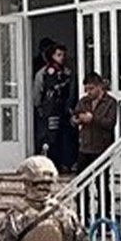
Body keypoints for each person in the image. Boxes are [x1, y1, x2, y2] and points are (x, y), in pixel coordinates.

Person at [33, 43, 78, 172]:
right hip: (49, 111)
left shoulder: (68, 73)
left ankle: (65, 163)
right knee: (50, 138)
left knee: (66, 137)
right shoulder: (43, 73)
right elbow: (37, 93)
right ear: (52, 56)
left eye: (63, 55)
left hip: (65, 110)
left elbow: (72, 92)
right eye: (58, 55)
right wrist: (40, 107)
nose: (62, 58)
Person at [72, 72, 119, 170]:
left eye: (91, 89)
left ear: (99, 87)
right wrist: (76, 120)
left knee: (102, 176)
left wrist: (93, 119)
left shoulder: (110, 102)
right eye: (86, 89)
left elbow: (110, 123)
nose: (88, 92)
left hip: (102, 147)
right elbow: (75, 115)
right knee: (82, 176)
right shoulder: (84, 101)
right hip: (85, 147)